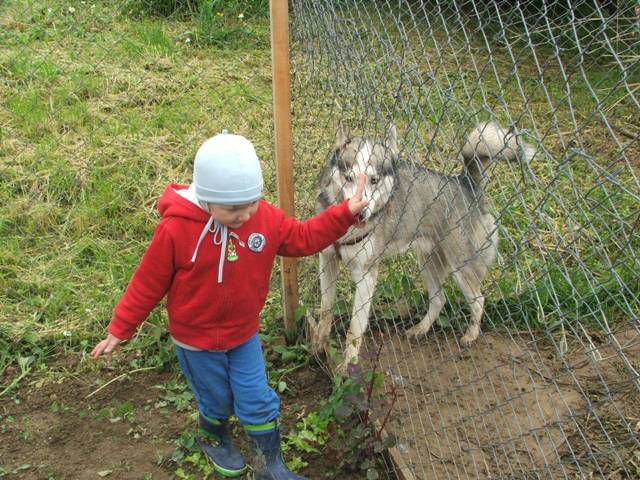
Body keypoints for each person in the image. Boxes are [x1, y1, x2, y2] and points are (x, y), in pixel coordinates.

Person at [91, 130, 369, 479]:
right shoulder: (176, 230)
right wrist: (121, 328)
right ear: (206, 199)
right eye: (233, 208)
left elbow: (303, 237)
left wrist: (344, 213)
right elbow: (148, 282)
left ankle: (271, 466)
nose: (244, 214)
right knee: (217, 400)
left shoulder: (263, 219)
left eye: (250, 202)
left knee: (256, 397)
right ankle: (214, 435)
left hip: (243, 335)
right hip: (195, 341)